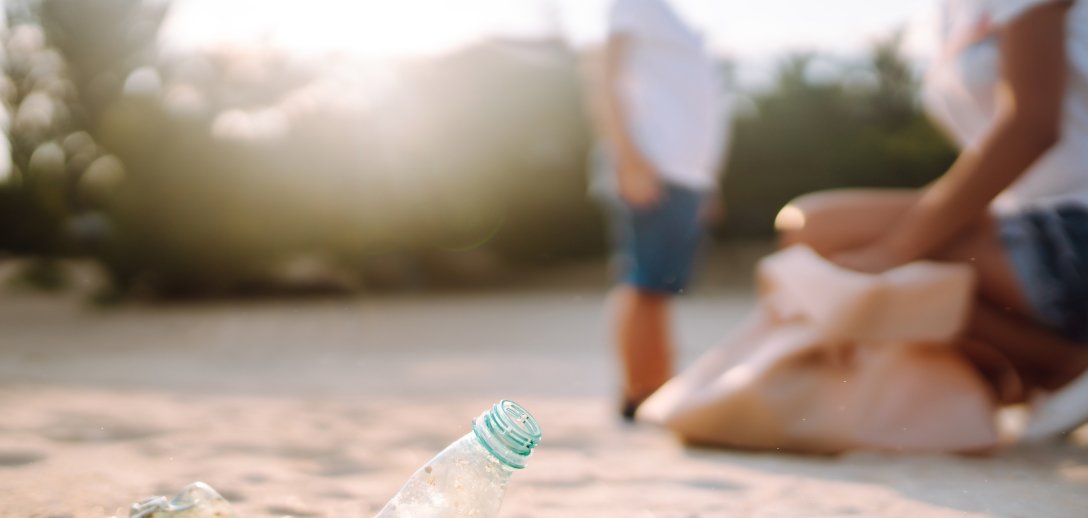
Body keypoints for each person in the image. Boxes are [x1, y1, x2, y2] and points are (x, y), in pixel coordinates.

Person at [776, 0, 1088, 439]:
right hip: (1030, 219)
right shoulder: (949, 13)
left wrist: (895, 250)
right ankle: (1032, 368)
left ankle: (1063, 364)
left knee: (819, 231)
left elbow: (1032, 127)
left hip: (1073, 226)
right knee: (814, 234)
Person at [587, 0, 729, 419]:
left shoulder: (674, 20)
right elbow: (605, 77)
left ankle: (658, 389)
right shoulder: (635, 5)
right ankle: (638, 395)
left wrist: (708, 181)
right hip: (654, 165)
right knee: (645, 280)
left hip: (685, 173)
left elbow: (699, 105)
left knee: (663, 287)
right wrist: (628, 157)